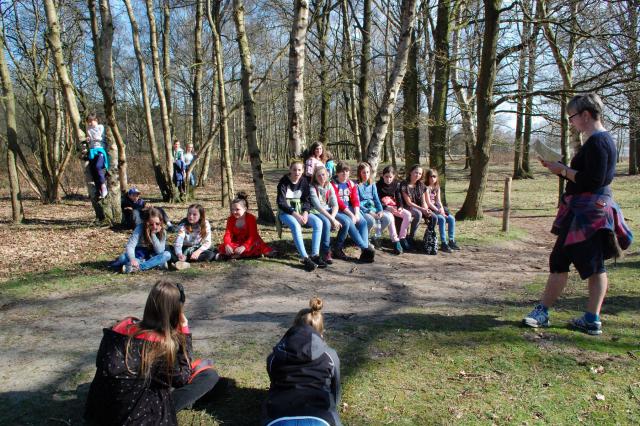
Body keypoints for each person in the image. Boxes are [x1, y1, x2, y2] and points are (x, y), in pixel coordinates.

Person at [523, 93, 633, 336]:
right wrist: (561, 169)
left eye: (571, 117)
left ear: (585, 115)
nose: (570, 122)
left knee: (575, 262)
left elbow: (595, 180)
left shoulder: (599, 142)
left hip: (589, 213)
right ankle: (587, 318)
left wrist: (563, 170)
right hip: (586, 211)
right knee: (584, 263)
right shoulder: (596, 141)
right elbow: (588, 176)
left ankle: (550, 313)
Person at [85, 280, 220, 425]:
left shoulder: (118, 329)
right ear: (175, 312)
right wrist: (184, 332)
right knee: (209, 375)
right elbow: (182, 378)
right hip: (139, 418)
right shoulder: (159, 346)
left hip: (100, 414)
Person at [263, 297, 342, 426]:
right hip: (321, 416)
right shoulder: (330, 356)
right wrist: (333, 406)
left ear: (294, 326)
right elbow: (335, 389)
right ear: (321, 332)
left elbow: (274, 384)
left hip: (278, 416)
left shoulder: (275, 356)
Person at [277, 160, 325, 272]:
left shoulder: (304, 181)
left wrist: (305, 213)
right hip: (286, 213)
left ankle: (315, 255)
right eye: (294, 169)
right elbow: (281, 203)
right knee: (295, 225)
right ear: (290, 170)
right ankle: (305, 258)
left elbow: (307, 200)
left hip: (301, 212)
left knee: (318, 222)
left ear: (303, 171)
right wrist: (296, 215)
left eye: (299, 170)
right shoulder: (283, 182)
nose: (297, 172)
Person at [331, 162, 375, 263]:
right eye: (342, 172)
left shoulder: (351, 184)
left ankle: (364, 251)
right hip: (338, 209)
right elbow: (339, 202)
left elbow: (355, 200)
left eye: (347, 171)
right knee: (350, 222)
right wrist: (352, 215)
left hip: (351, 208)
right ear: (337, 173)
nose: (345, 174)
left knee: (363, 222)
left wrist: (356, 213)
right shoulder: (333, 184)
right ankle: (365, 248)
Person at [356, 162, 403, 254]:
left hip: (373, 207)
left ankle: (374, 237)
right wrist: (370, 212)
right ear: (359, 173)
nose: (366, 175)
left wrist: (380, 210)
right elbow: (357, 203)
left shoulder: (372, 184)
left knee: (388, 218)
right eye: (363, 172)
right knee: (370, 220)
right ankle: (365, 238)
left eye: (367, 172)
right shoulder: (357, 185)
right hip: (363, 209)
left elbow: (377, 200)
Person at [110, 207, 172, 273]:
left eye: (157, 223)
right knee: (122, 258)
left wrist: (153, 235)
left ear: (161, 221)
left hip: (153, 256)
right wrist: (132, 259)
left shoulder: (163, 232)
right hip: (139, 255)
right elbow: (130, 246)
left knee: (167, 254)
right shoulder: (140, 228)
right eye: (151, 224)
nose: (154, 227)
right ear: (146, 222)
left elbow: (159, 251)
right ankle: (154, 264)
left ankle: (139, 267)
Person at [219, 192, 275, 259]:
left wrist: (244, 246)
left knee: (256, 246)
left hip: (250, 241)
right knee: (224, 247)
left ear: (245, 209)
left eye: (237, 209)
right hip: (236, 242)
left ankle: (238, 255)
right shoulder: (230, 219)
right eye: (232, 209)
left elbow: (253, 236)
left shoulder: (251, 218)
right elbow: (228, 234)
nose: (234, 212)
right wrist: (227, 244)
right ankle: (238, 254)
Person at [400, 164, 438, 254]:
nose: (417, 175)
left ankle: (428, 239)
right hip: (407, 207)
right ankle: (411, 238)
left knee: (434, 217)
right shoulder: (404, 184)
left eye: (420, 173)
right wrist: (422, 210)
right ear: (410, 172)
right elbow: (408, 202)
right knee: (418, 214)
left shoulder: (421, 185)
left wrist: (426, 209)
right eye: (416, 172)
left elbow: (424, 201)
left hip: (420, 207)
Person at [309, 165, 342, 265]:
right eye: (318, 176)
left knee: (346, 222)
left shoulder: (329, 185)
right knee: (327, 223)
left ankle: (338, 248)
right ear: (315, 177)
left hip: (329, 211)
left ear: (327, 175)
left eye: (323, 175)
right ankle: (325, 251)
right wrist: (332, 220)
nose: (321, 177)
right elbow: (318, 207)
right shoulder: (312, 187)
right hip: (316, 211)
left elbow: (335, 204)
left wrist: (333, 217)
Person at [376, 165, 412, 253]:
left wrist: (400, 207)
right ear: (383, 175)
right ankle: (395, 241)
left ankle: (402, 238)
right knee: (391, 217)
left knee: (408, 214)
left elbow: (399, 197)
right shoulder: (378, 185)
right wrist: (386, 207)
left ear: (394, 177)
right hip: (382, 208)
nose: (388, 179)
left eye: (390, 177)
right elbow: (376, 200)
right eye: (386, 177)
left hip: (393, 206)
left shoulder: (396, 184)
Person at [172, 204, 218, 269]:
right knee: (170, 251)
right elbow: (178, 243)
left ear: (201, 216)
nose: (191, 216)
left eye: (194, 214)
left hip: (196, 248)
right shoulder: (183, 225)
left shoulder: (205, 224)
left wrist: (197, 252)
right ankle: (182, 259)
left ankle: (185, 260)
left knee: (210, 254)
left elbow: (207, 242)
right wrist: (180, 254)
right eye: (189, 214)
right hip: (184, 248)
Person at [425, 168, 460, 253]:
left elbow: (438, 200)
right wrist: (438, 210)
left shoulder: (437, 187)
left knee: (451, 218)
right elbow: (428, 203)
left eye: (434, 176)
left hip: (437, 209)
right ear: (427, 177)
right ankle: (443, 243)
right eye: (431, 176)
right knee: (441, 219)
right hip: (430, 210)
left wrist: (441, 209)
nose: (432, 178)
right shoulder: (426, 188)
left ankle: (451, 240)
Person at [86, 113, 109, 199]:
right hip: (92, 151)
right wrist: (88, 139)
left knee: (98, 166)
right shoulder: (88, 128)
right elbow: (89, 138)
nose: (90, 123)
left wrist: (95, 138)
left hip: (100, 150)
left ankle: (103, 186)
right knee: (93, 171)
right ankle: (99, 191)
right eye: (88, 122)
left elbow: (100, 137)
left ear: (95, 120)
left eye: (91, 121)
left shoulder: (100, 127)